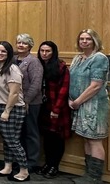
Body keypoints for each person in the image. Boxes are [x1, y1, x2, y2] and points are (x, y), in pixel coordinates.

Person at [69, 29, 109, 183]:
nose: (84, 41)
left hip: (95, 105)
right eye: (81, 39)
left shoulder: (99, 58)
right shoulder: (78, 58)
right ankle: (88, 175)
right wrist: (71, 99)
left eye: (88, 39)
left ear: (94, 41)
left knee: (94, 140)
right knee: (86, 139)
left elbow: (96, 85)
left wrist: (77, 101)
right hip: (79, 104)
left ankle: (94, 178)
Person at [0, 41, 29, 182]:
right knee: (7, 140)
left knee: (13, 142)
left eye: (3, 51)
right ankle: (8, 167)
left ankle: (24, 171)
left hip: (11, 109)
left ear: (9, 53)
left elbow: (14, 93)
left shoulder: (12, 69)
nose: (0, 53)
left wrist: (6, 111)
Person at [36, 41, 71, 179]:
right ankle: (47, 163)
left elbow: (64, 90)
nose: (44, 54)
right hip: (43, 107)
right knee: (47, 137)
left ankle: (54, 166)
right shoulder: (38, 65)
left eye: (48, 51)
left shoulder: (61, 67)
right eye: (42, 51)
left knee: (57, 138)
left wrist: (56, 109)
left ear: (53, 52)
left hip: (57, 108)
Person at [14, 33, 44, 172]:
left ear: (30, 46)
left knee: (30, 132)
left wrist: (26, 101)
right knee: (18, 132)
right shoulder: (13, 59)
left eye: (24, 43)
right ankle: (20, 159)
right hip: (15, 102)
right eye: (19, 42)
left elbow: (36, 84)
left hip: (30, 103)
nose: (21, 45)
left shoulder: (34, 62)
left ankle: (31, 162)